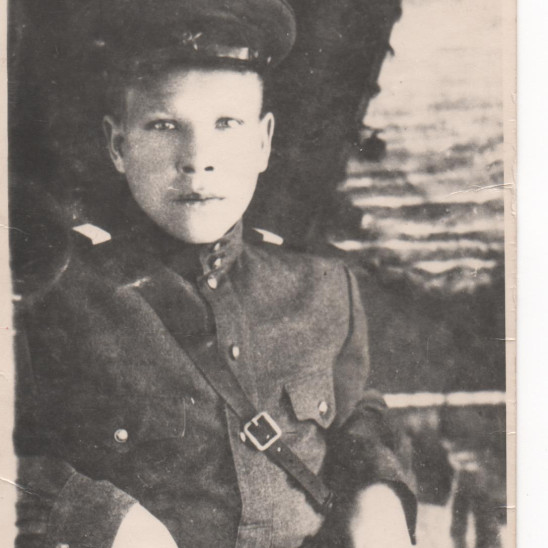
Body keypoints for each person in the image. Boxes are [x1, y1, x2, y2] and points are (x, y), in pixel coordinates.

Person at [13, 1, 416, 547]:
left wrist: (380, 498)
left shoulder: (323, 288)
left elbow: (357, 415)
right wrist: (108, 520)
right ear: (118, 145)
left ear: (263, 141)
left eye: (226, 124)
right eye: (164, 125)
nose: (197, 158)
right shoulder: (52, 301)